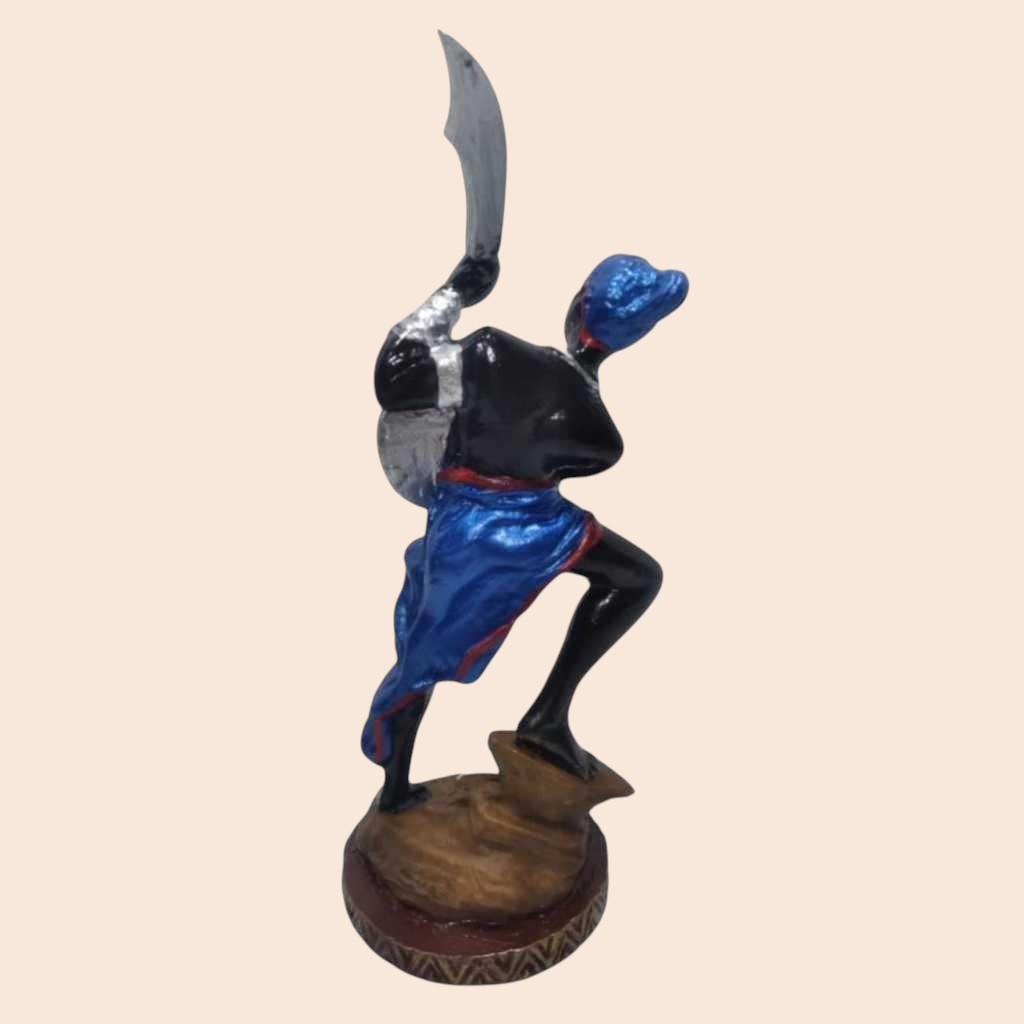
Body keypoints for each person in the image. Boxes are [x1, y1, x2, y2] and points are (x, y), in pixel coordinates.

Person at [364, 252, 688, 811]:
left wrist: (456, 291)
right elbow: (585, 456)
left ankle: (545, 718)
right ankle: (397, 790)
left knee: (635, 577)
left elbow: (396, 372)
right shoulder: (594, 427)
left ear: (577, 306)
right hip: (487, 530)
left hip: (518, 523)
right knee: (427, 656)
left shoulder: (494, 355)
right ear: (634, 336)